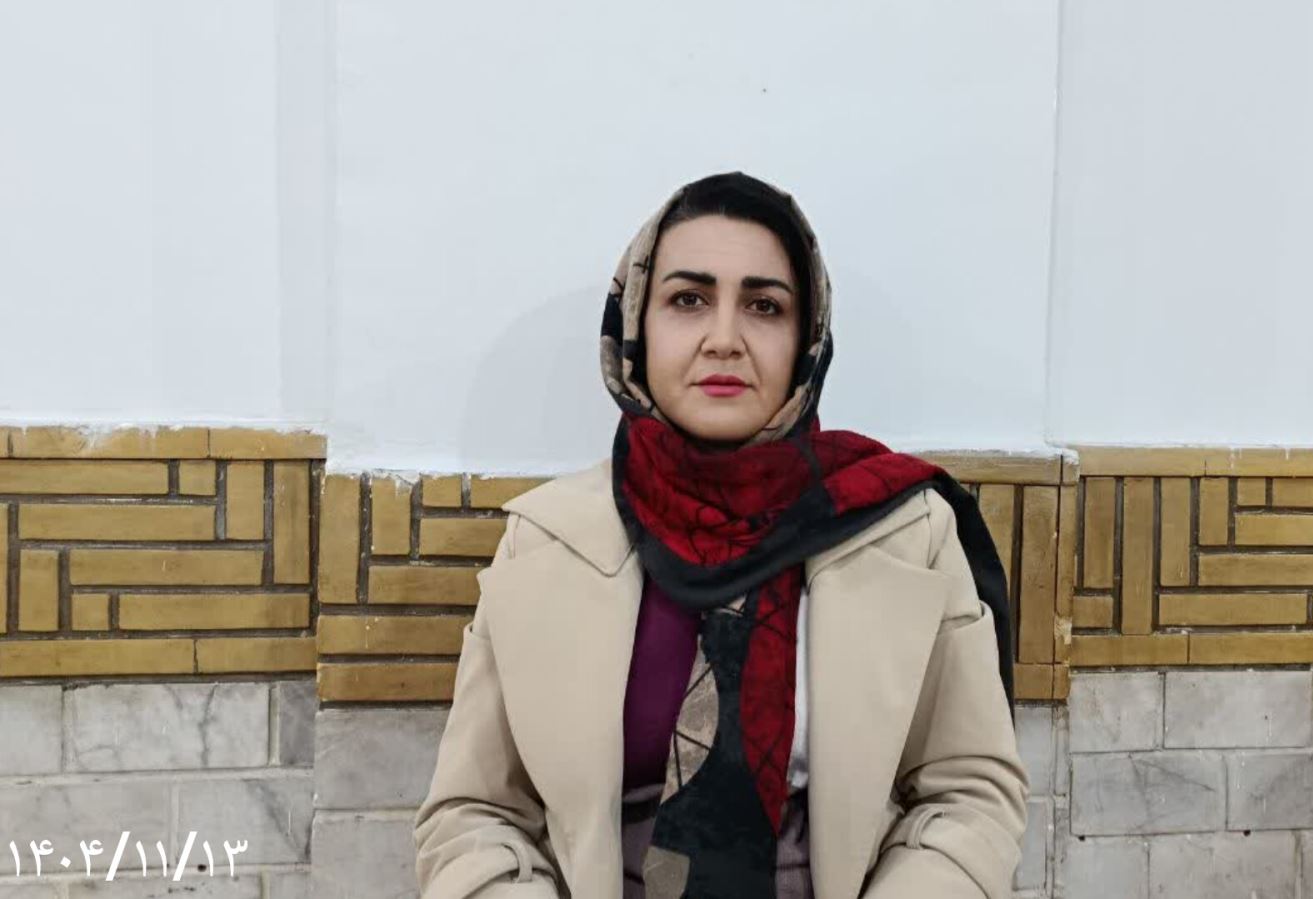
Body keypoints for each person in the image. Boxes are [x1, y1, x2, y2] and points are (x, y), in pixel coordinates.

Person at [413, 171, 1028, 899]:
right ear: (637, 325)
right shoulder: (548, 538)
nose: (725, 339)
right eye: (688, 300)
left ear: (806, 338)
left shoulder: (903, 530)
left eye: (764, 306)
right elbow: (475, 813)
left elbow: (968, 796)